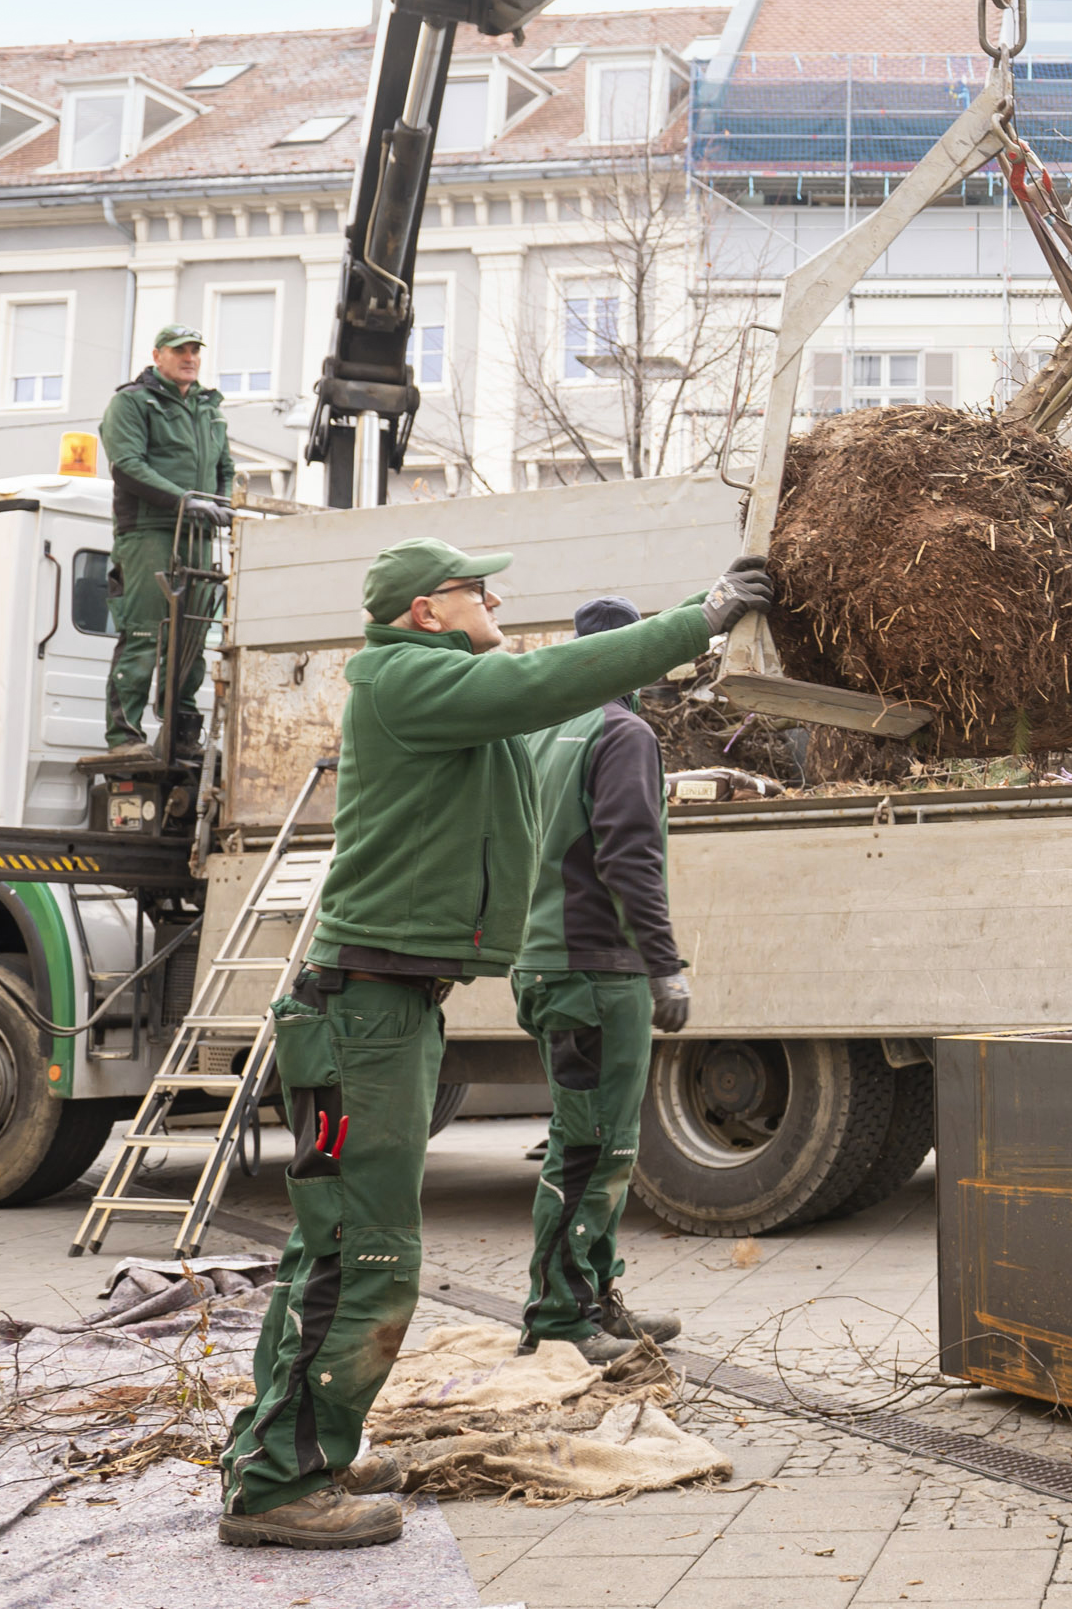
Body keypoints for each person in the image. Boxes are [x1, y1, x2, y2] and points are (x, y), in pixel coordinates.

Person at [216, 539, 774, 1550]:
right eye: (481, 589)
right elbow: (547, 678)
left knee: (335, 1246)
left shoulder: (440, 685)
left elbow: (545, 695)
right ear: (429, 611)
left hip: (384, 1009)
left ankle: (296, 1449)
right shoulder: (405, 677)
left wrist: (688, 657)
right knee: (361, 1253)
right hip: (362, 1018)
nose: (500, 599)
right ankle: (278, 1485)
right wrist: (699, 617)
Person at [512, 594, 694, 1365]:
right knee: (593, 1149)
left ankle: (591, 1296)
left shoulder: (545, 731)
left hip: (547, 962)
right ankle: (560, 1319)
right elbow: (628, 857)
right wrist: (665, 964)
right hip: (594, 968)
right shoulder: (624, 733)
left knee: (590, 1143)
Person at [100, 323, 235, 755]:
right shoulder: (131, 402)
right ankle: (124, 738)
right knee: (145, 634)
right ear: (158, 356)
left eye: (195, 350)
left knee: (191, 640)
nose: (190, 357)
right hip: (148, 532)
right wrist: (186, 501)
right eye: (180, 350)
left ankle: (180, 738)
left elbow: (226, 468)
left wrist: (224, 504)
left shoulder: (209, 409)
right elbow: (126, 465)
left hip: (197, 533)